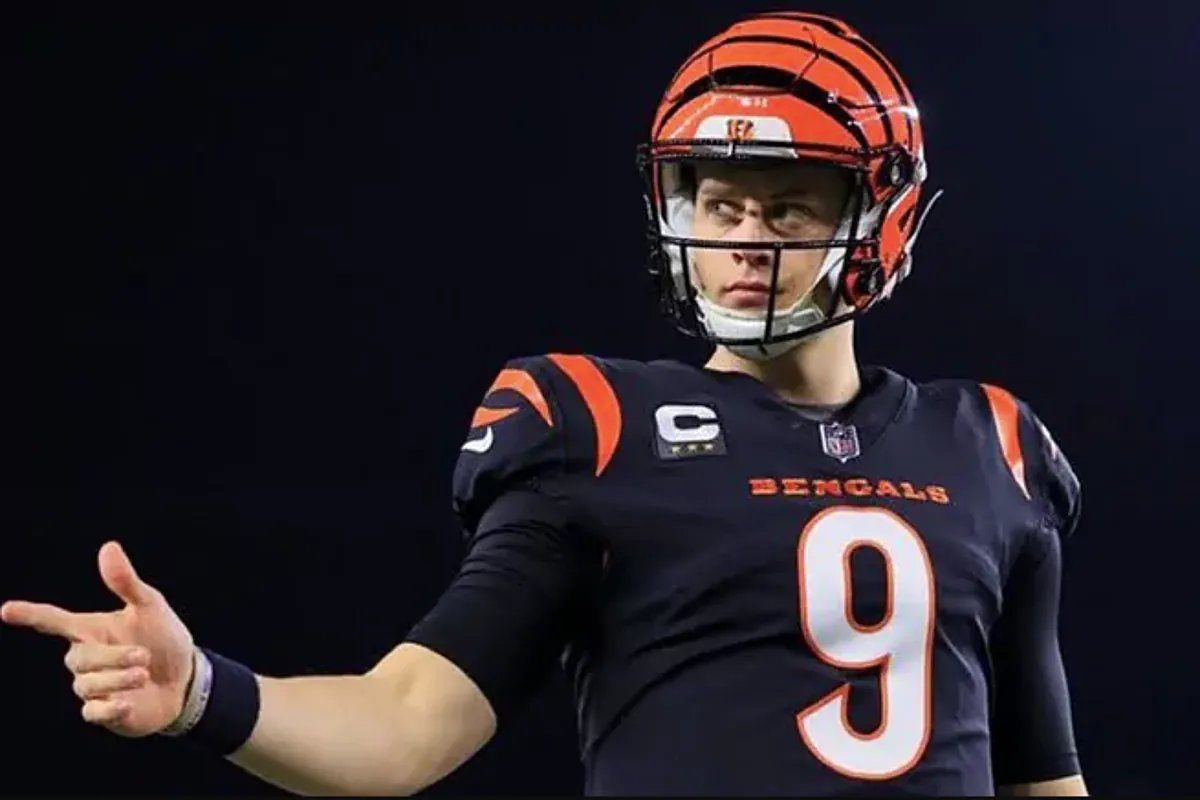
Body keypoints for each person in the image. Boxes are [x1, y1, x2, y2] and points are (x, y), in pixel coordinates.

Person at [1, 11, 1088, 797]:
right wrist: (203, 687)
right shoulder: (597, 428)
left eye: (791, 207)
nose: (745, 240)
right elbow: (406, 723)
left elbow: (1046, 776)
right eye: (719, 201)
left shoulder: (991, 444)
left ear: (881, 219)